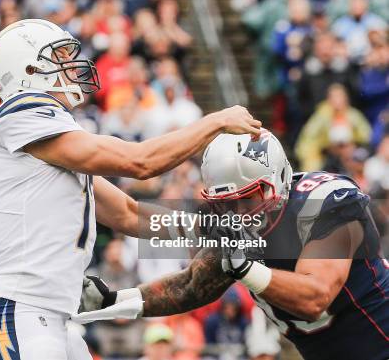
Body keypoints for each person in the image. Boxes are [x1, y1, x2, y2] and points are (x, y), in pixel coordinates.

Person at [0, 18, 262, 360]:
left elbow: (128, 213)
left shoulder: (51, 143)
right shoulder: (21, 112)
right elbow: (140, 162)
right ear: (29, 69)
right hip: (17, 308)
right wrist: (215, 121)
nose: (70, 65)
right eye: (59, 57)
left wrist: (206, 231)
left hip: (52, 315)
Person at [80, 132, 389, 360]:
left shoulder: (326, 203)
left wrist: (244, 267)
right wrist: (114, 301)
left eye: (245, 198)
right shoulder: (230, 224)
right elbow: (135, 218)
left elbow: (315, 298)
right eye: (226, 202)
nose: (237, 211)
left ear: (276, 179)